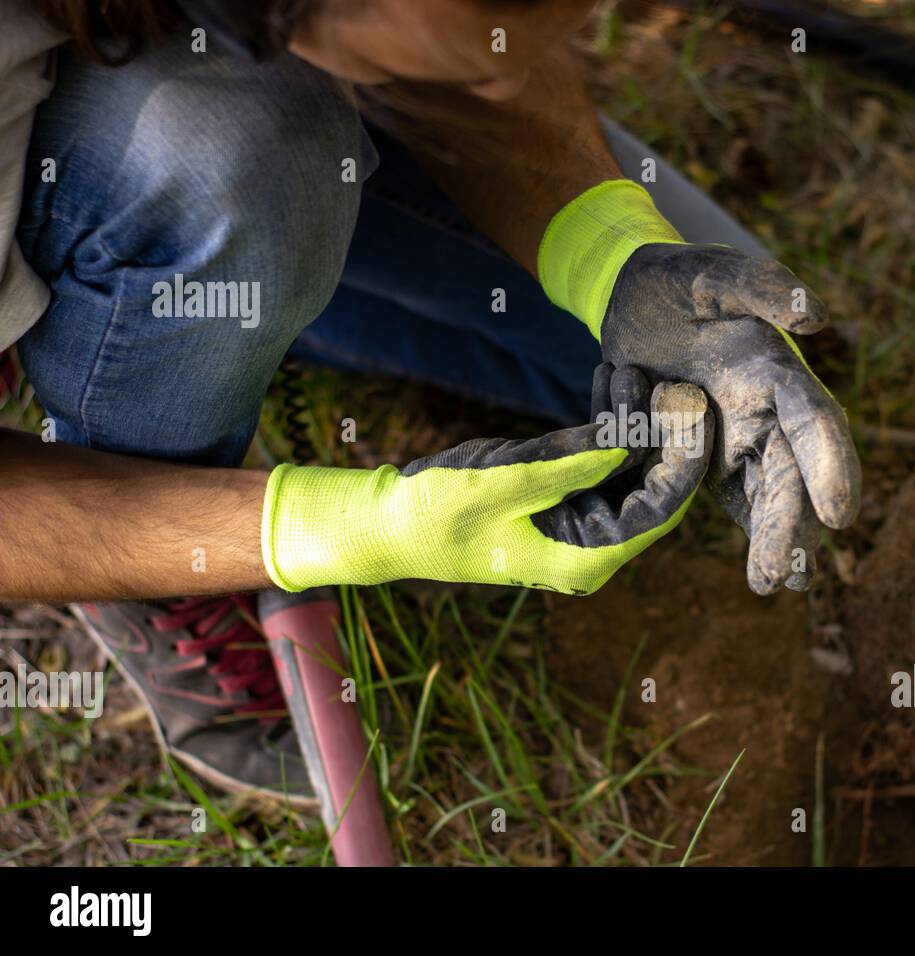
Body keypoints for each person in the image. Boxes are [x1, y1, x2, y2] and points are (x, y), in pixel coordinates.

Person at [0, 0, 861, 800]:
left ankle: (254, 275)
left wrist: (612, 257)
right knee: (236, 156)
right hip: (193, 133)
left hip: (235, 59)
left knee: (678, 390)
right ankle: (162, 551)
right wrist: (351, 528)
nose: (518, 77)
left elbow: (494, 73)